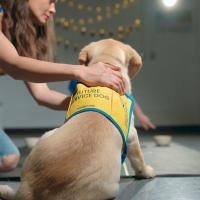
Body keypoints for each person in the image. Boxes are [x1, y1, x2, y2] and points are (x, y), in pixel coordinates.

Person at [0, 0, 125, 172]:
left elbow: (42, 94)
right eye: (50, 1)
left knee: (8, 159)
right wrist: (81, 71)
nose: (53, 9)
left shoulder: (20, 35)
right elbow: (14, 65)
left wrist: (92, 101)